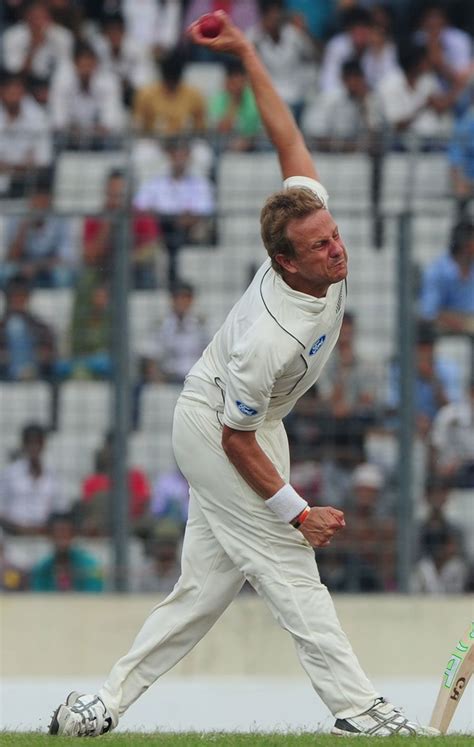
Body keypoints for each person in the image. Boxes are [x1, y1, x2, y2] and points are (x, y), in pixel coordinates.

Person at [48, 11, 438, 738]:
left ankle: (97, 705)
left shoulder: (312, 221)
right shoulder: (270, 335)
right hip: (214, 428)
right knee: (291, 566)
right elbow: (233, 441)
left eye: (334, 237)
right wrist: (299, 510)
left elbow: (286, 135)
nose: (337, 250)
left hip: (255, 426)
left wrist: (249, 54)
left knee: (203, 588)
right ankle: (361, 712)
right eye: (319, 247)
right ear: (285, 260)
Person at [133, 140, 215, 286]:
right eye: (175, 153)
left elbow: (204, 212)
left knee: (184, 233)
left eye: (182, 153)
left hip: (188, 231)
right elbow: (140, 207)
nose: (178, 158)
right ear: (168, 156)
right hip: (161, 229)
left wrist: (183, 219)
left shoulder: (200, 184)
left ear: (188, 156)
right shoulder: (155, 182)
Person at [137, 281, 210, 385]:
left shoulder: (202, 324)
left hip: (197, 378)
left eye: (186, 297)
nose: (181, 301)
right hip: (170, 378)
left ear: (191, 300)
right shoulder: (161, 325)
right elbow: (150, 355)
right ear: (172, 300)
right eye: (178, 297)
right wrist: (157, 380)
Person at [0, 423, 64, 536]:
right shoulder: (9, 474)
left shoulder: (53, 475)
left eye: (38, 443)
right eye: (30, 443)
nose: (34, 447)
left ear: (44, 445)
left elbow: (59, 509)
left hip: (44, 537)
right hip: (13, 537)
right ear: (23, 445)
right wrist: (17, 528)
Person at [419, 220, 474, 335]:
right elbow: (429, 311)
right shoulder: (437, 270)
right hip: (444, 328)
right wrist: (458, 322)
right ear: (464, 245)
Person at [0, 274, 57, 382]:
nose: (18, 300)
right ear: (8, 298)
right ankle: (20, 372)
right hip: (5, 373)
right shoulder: (2, 325)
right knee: (15, 327)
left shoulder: (40, 326)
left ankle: (24, 372)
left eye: (22, 296)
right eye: (15, 296)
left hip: (35, 371)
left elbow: (50, 352)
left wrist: (41, 354)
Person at [30, 512, 104, 592]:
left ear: (73, 535)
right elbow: (37, 596)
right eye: (58, 533)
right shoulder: (41, 568)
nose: (62, 539)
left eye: (65, 533)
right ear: (50, 536)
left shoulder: (91, 566)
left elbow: (95, 592)